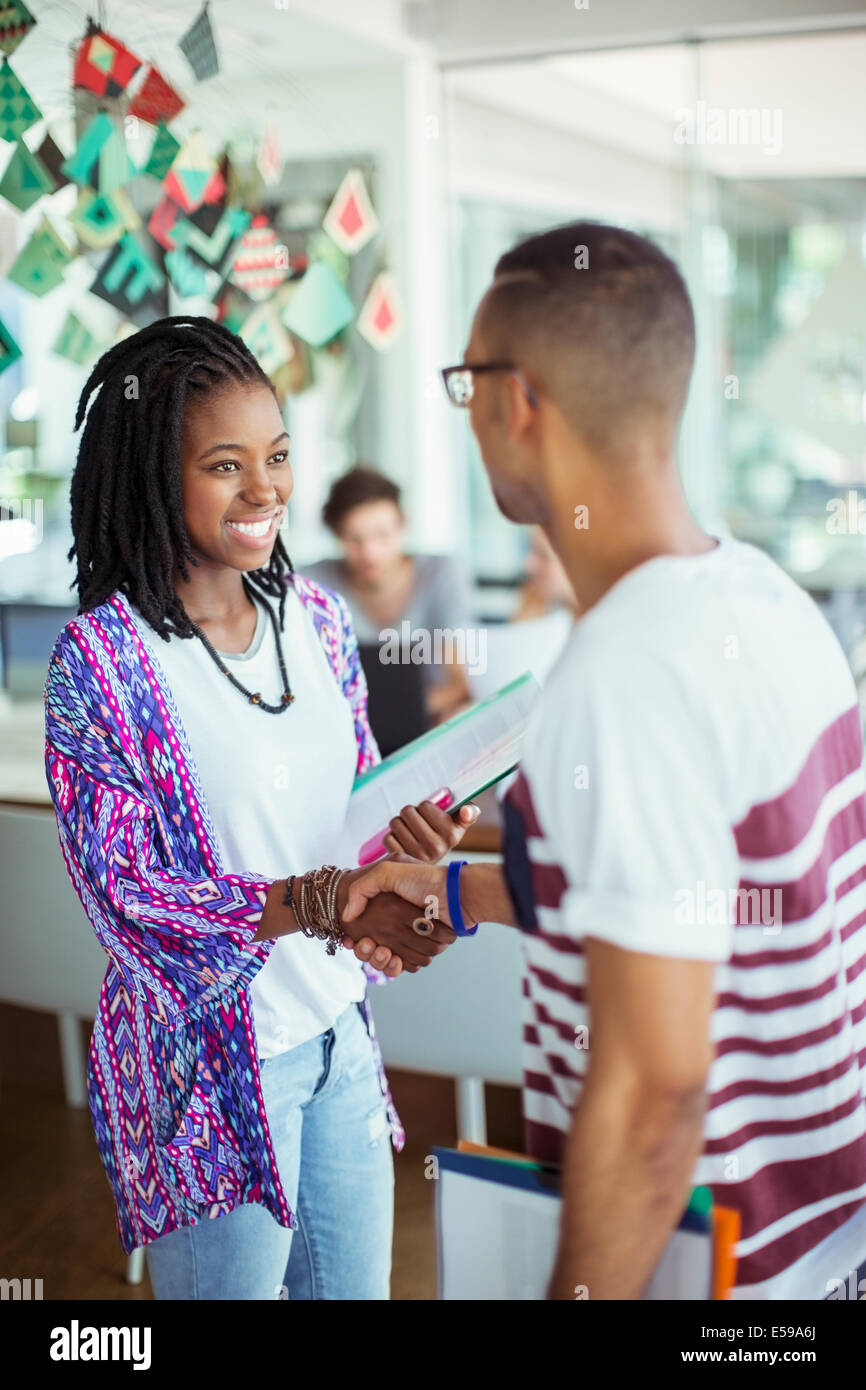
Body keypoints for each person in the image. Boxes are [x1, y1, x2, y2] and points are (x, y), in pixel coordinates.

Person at [339, 222, 866, 1301]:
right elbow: (694, 896)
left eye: (465, 382)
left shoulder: (619, 674)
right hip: (820, 1235)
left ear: (515, 400)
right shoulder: (762, 598)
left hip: (714, 1262)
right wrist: (458, 891)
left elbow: (653, 1091)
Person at [43, 317, 472, 1301]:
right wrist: (320, 898)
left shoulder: (316, 617)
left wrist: (402, 842)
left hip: (337, 1039)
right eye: (226, 465)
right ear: (156, 474)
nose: (266, 489)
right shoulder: (103, 663)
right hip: (209, 1079)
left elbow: (355, 797)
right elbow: (127, 896)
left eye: (276, 456)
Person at [305, 466, 474, 727]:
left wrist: (385, 713)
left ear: (402, 525)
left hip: (424, 727)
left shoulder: (441, 574)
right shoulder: (313, 584)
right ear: (336, 534)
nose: (370, 553)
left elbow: (459, 685)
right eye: (354, 539)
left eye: (382, 535)